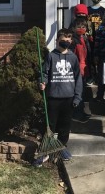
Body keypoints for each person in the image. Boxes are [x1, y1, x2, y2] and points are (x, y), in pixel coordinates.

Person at [37, 28, 83, 163]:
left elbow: (78, 78)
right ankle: (44, 151)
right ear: (57, 41)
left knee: (65, 127)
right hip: (53, 97)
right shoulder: (51, 56)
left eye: (68, 41)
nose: (66, 43)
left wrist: (77, 96)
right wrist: (42, 82)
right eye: (63, 41)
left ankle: (61, 148)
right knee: (49, 126)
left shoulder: (73, 58)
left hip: (68, 98)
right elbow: (44, 73)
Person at [87, 0, 105, 86]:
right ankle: (91, 76)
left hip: (100, 38)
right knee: (90, 57)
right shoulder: (87, 10)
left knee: (99, 57)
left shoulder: (103, 11)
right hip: (89, 38)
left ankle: (99, 77)